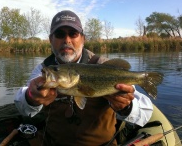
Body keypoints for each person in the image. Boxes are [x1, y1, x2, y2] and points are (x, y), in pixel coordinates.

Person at [14, 10, 153, 146]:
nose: (66, 40)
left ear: (83, 39)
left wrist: (126, 107)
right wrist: (31, 97)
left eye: (73, 34)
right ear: (51, 39)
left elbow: (146, 111)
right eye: (60, 34)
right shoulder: (45, 70)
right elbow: (23, 106)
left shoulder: (104, 66)